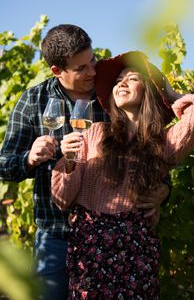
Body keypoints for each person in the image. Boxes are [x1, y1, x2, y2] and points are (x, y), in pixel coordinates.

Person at [0, 26, 170, 300]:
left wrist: (164, 188)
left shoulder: (112, 93)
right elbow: (4, 164)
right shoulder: (33, 101)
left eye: (92, 60)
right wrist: (30, 158)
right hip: (56, 233)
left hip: (109, 237)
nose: (92, 71)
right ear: (57, 71)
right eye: (81, 68)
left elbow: (147, 144)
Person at [51, 51, 194, 299]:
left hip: (135, 246)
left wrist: (168, 93)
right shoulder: (95, 132)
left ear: (148, 91)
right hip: (90, 244)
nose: (122, 83)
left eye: (132, 78)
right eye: (118, 81)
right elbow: (62, 198)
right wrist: (70, 160)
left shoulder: (164, 142)